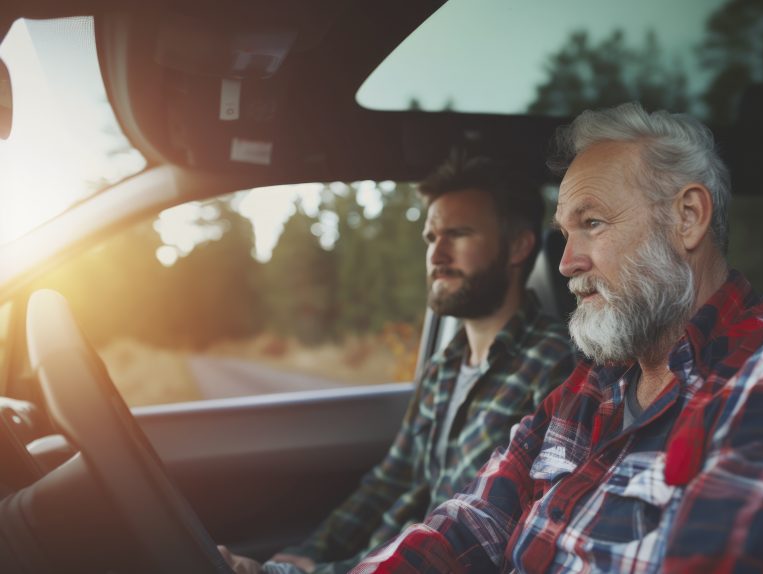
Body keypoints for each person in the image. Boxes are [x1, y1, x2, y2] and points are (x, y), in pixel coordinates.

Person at [345, 103, 763, 573]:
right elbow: (471, 521)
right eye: (565, 233)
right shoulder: (590, 388)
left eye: (592, 223)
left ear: (688, 218)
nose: (565, 263)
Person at [220, 155, 576, 573]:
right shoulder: (443, 368)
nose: (437, 253)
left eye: (458, 233)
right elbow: (389, 481)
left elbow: (492, 538)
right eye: (431, 237)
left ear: (517, 246)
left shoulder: (557, 367)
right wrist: (307, 554)